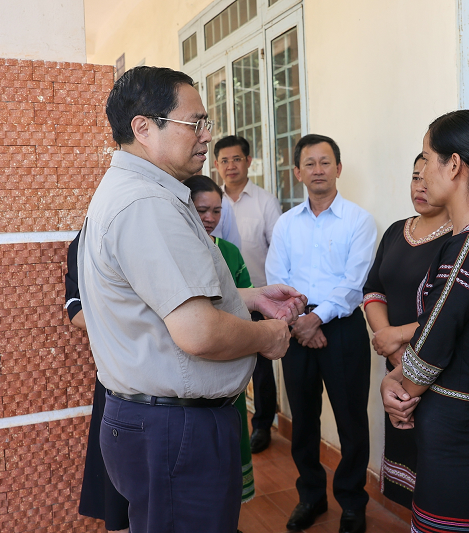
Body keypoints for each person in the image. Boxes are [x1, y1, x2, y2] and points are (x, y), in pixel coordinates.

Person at [78, 66, 306, 533]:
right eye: (195, 123)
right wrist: (269, 333)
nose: (207, 136)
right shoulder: (146, 204)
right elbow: (198, 331)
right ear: (144, 128)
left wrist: (253, 296)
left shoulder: (138, 193)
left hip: (160, 423)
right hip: (174, 429)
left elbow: (162, 300)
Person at [380, 110, 469, 533]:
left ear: (455, 165)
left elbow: (432, 343)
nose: (421, 171)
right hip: (459, 427)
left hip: (459, 435)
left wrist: (395, 385)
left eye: (427, 158)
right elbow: (436, 327)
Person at [265, 134, 377, 533]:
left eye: (325, 162)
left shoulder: (359, 221)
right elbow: (276, 278)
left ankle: (352, 502)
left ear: (339, 169)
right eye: (309, 163)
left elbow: (354, 283)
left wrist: (318, 319)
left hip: (343, 329)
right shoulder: (285, 223)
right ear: (297, 172)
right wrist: (300, 322)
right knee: (304, 421)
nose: (317, 170)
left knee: (350, 421)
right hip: (295, 329)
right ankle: (310, 497)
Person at [362, 153, 452, 508]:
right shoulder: (396, 231)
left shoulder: (460, 239)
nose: (420, 186)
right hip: (396, 367)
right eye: (415, 177)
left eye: (428, 178)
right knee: (404, 452)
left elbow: (450, 311)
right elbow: (373, 290)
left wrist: (400, 340)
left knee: (438, 476)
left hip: (439, 368)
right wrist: (389, 343)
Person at [184, 174, 256, 505]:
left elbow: (246, 308)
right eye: (202, 210)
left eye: (216, 211)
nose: (210, 218)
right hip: (190, 371)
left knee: (230, 441)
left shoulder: (229, 252)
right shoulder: (177, 251)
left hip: (228, 365)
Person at [213, 135, 283, 454]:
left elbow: (277, 251)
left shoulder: (265, 202)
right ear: (215, 165)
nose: (231, 166)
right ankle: (226, 421)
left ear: (248, 161)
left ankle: (263, 425)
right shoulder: (210, 203)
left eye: (236, 159)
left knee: (261, 367)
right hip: (215, 300)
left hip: (256, 296)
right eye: (224, 160)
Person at [65, 235, 130, 533]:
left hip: (167, 380)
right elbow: (76, 311)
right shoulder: (86, 241)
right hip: (117, 372)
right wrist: (131, 324)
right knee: (118, 490)